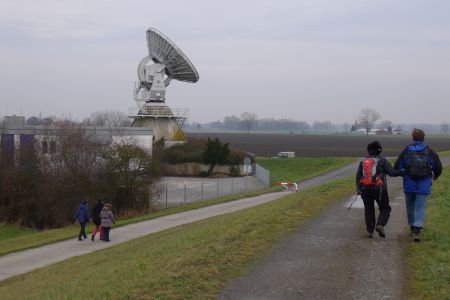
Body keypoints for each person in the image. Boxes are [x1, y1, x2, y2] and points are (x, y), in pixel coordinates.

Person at [394, 128, 442, 242]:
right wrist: (435, 176)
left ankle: (412, 228)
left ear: (412, 137)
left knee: (410, 206)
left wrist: (403, 173)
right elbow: (438, 166)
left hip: (409, 183)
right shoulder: (429, 150)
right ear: (423, 138)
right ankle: (417, 231)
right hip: (424, 184)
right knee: (420, 206)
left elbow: (397, 166)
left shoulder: (406, 150)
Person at [356, 141, 403, 238]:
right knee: (385, 208)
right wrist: (402, 172)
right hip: (380, 189)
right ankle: (380, 224)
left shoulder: (363, 162)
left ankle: (369, 231)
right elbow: (392, 172)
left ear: (368, 151)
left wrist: (358, 188)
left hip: (365, 189)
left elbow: (358, 176)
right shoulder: (382, 161)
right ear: (379, 151)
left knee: (368, 209)